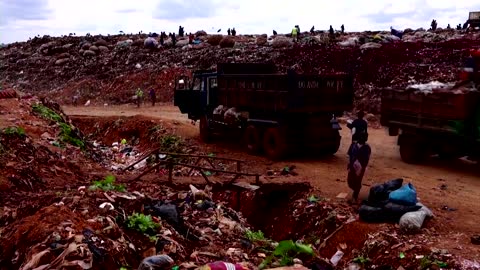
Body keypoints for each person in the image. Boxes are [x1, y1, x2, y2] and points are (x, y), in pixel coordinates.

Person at [347, 132, 371, 203]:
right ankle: (356, 189)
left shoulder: (367, 147)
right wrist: (350, 164)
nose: (365, 139)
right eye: (363, 137)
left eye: (366, 137)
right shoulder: (353, 144)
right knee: (350, 180)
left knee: (357, 181)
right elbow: (349, 154)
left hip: (360, 167)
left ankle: (355, 196)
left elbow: (366, 159)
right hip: (352, 165)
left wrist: (362, 167)